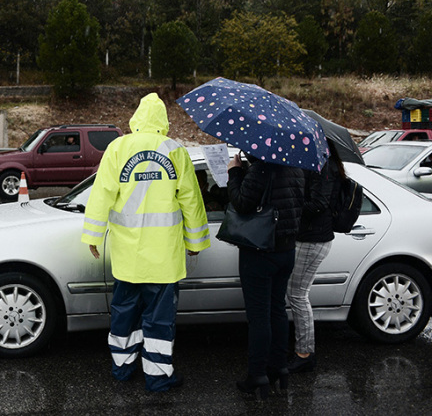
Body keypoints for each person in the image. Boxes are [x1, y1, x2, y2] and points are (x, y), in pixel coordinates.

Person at [81, 93, 210, 392]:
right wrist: (195, 242)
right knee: (159, 320)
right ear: (163, 121)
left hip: (128, 257)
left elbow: (101, 194)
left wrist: (93, 236)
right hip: (164, 258)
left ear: (136, 119)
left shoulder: (118, 147)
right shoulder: (174, 150)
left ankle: (123, 368)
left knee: (124, 313)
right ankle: (158, 376)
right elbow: (191, 199)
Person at [227, 151, 305, 398]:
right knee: (277, 310)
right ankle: (278, 368)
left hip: (260, 251)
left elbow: (240, 202)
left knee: (259, 317)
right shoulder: (295, 167)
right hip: (286, 249)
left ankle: (257, 375)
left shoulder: (261, 169)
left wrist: (235, 172)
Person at [286, 138, 341, 373]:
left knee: (297, 294)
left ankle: (305, 353)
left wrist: (291, 204)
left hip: (313, 239)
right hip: (309, 237)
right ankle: (303, 349)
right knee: (296, 293)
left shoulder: (324, 165)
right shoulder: (316, 163)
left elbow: (318, 203)